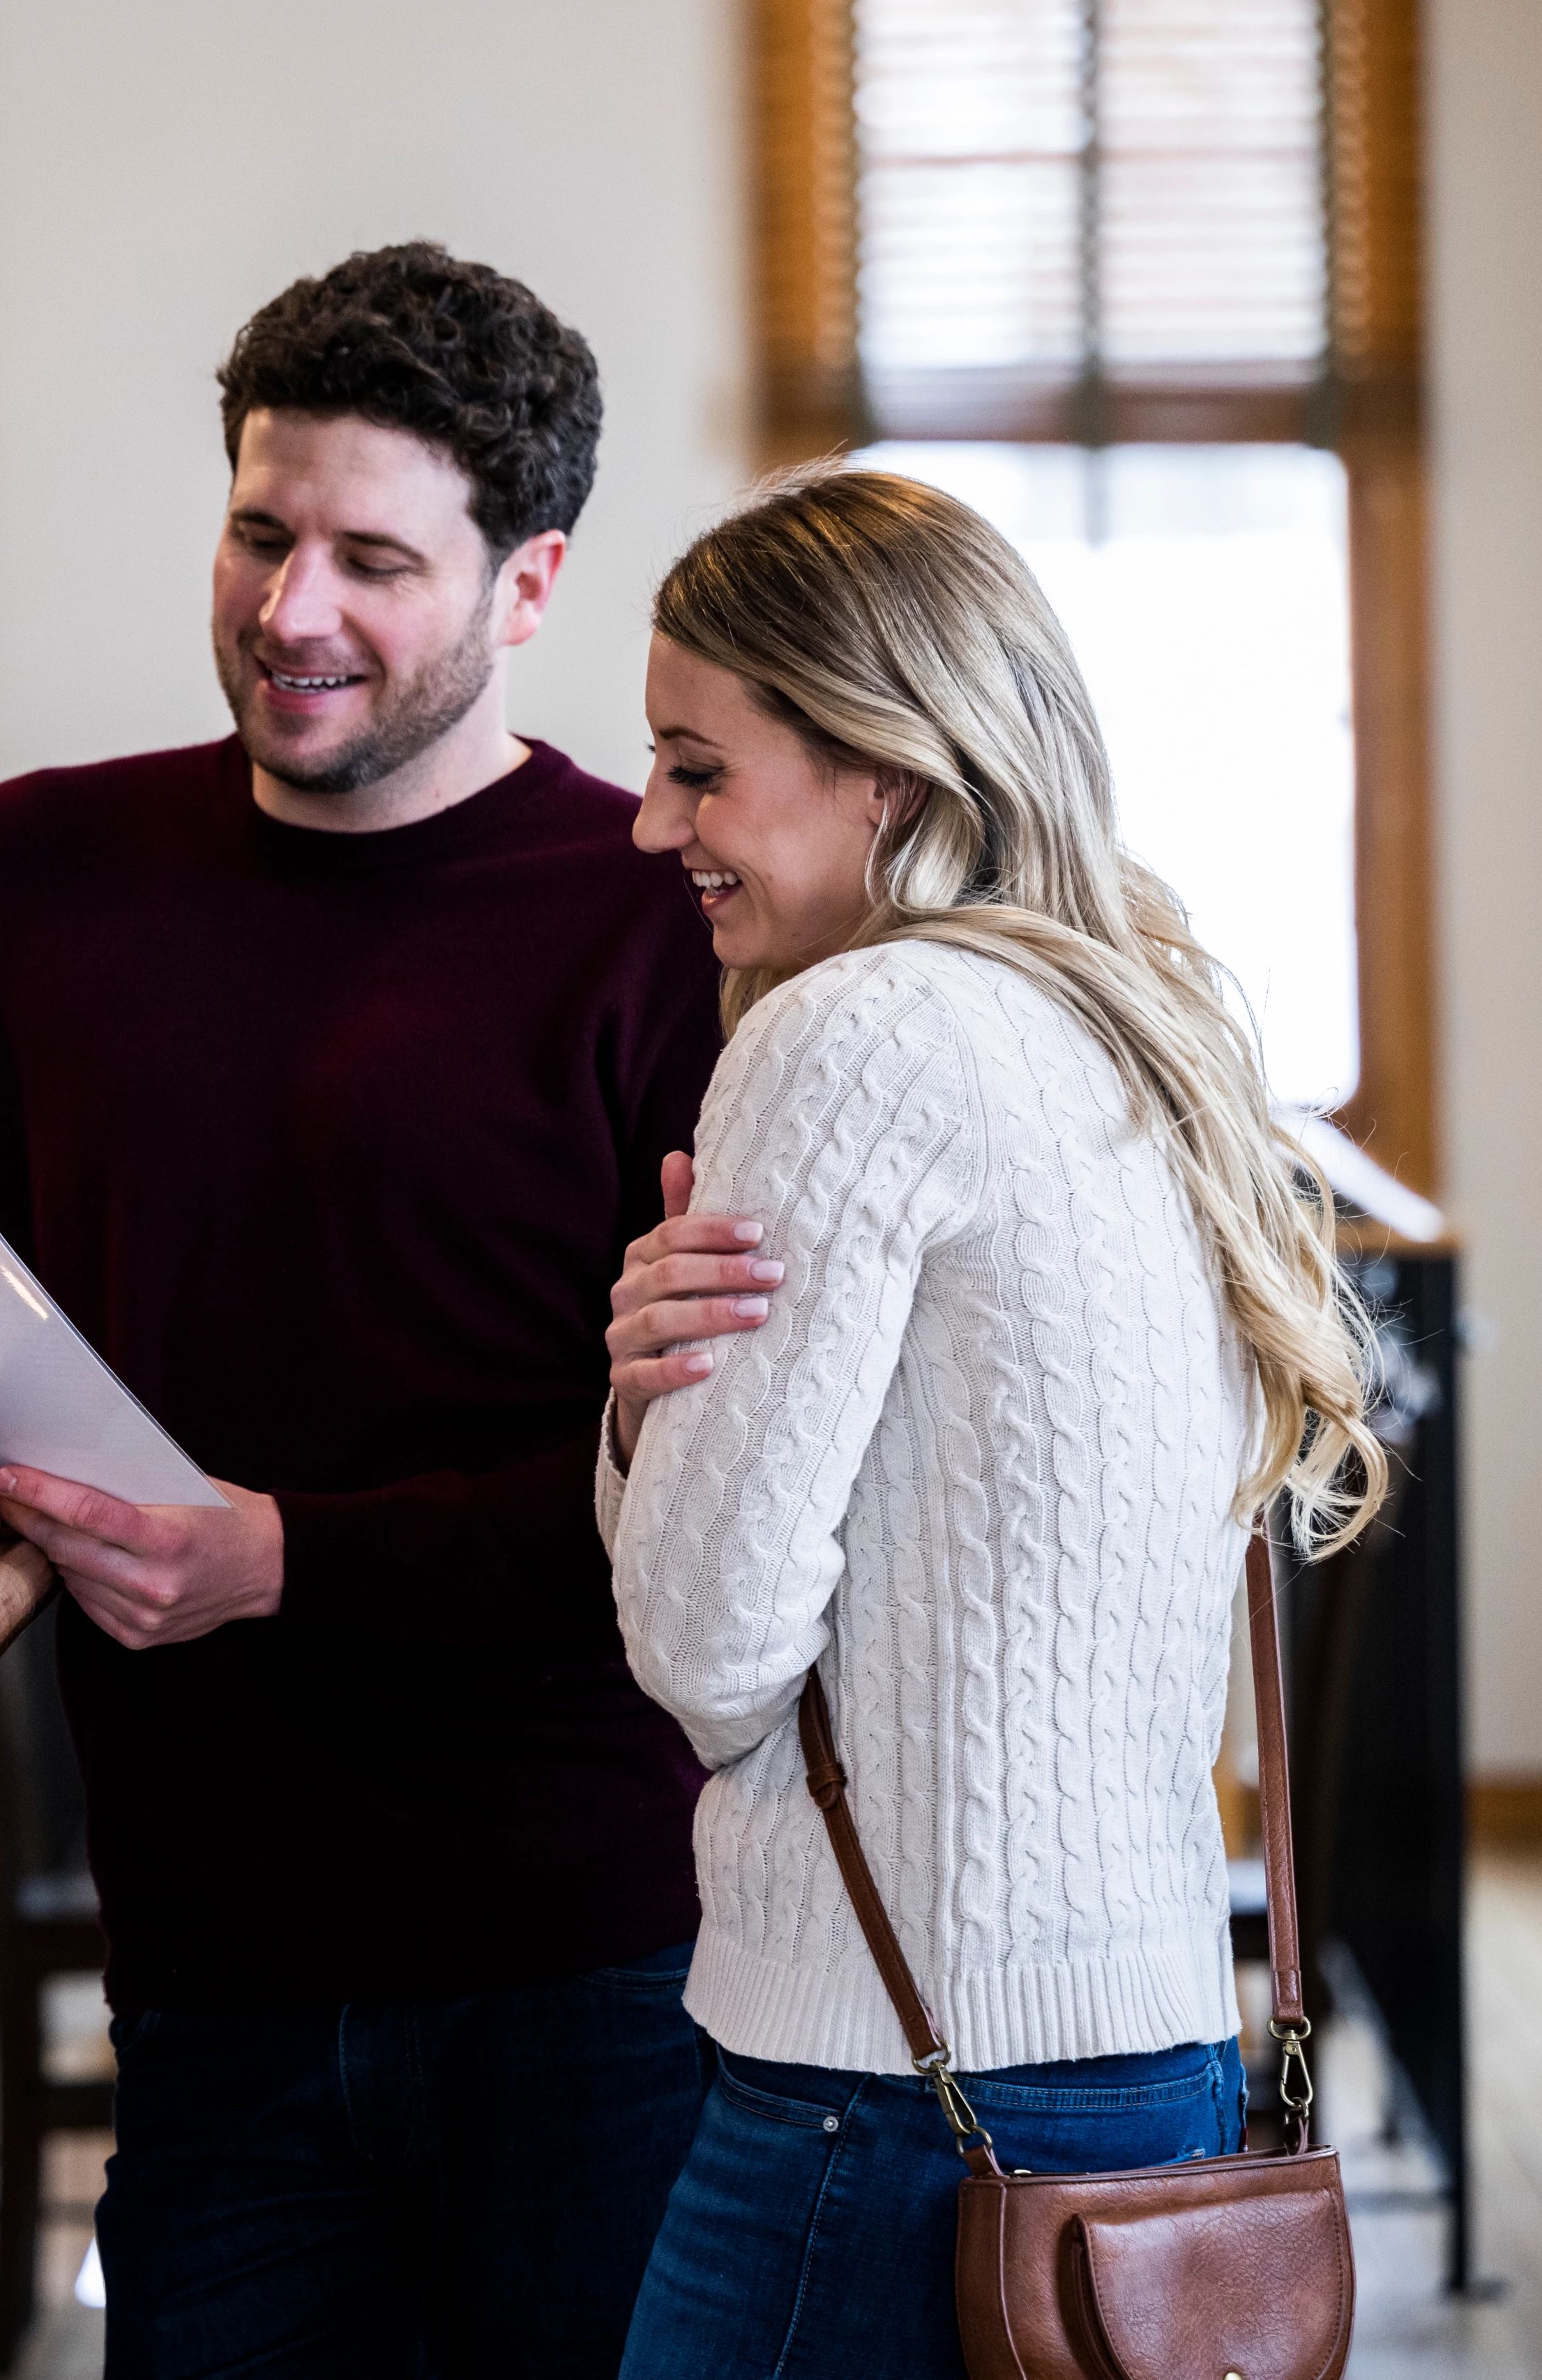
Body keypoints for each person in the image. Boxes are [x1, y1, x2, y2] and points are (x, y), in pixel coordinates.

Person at [0, 244, 725, 2374]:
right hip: (207, 1959)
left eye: (374, 559)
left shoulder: (656, 919)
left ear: (526, 588)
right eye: (260, 529)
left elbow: (704, 1491)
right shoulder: (30, 870)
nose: (291, 608)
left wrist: (284, 1559)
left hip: (597, 1961)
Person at [591, 466, 1384, 2377]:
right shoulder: (1134, 1026)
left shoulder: (846, 1036)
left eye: (700, 769)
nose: (649, 824)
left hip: (894, 2095)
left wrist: (635, 1422)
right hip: (1157, 2065)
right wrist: (653, 1405)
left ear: (886, 770)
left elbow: (704, 1659)